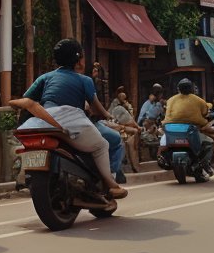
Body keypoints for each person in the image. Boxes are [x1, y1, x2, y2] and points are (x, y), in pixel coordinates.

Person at [13, 38, 128, 199]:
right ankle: (110, 184)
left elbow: (26, 100)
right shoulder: (85, 80)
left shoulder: (45, 78)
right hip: (75, 124)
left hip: (44, 121)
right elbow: (97, 109)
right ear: (79, 59)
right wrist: (108, 115)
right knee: (103, 144)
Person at [164, 78, 214, 161]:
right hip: (193, 127)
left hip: (170, 127)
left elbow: (167, 113)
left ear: (179, 89)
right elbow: (205, 112)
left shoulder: (171, 99)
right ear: (191, 88)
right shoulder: (197, 99)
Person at [108, 85, 141, 173]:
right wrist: (137, 126)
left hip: (117, 126)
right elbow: (129, 121)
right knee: (134, 132)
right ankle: (134, 162)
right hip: (116, 126)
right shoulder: (119, 107)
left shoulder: (121, 106)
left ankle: (133, 161)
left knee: (133, 132)